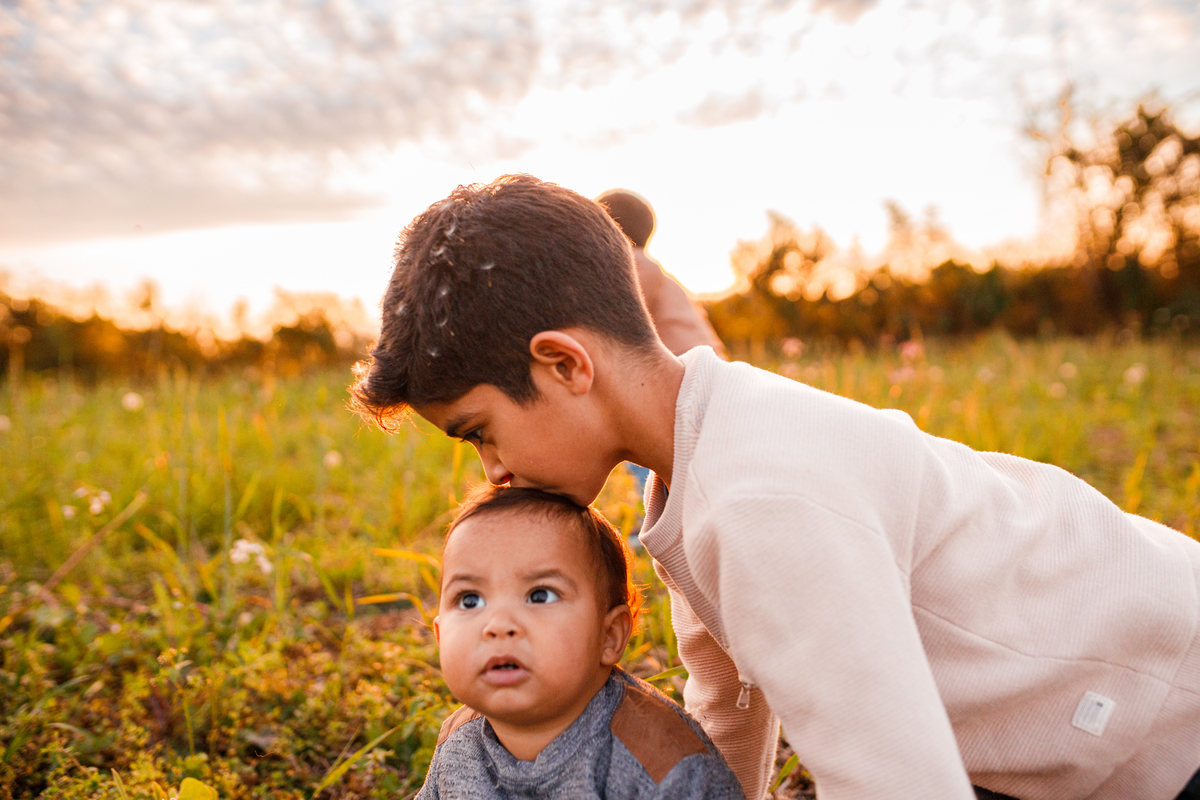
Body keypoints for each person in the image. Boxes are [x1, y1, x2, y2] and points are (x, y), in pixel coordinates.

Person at [351, 175, 1200, 800]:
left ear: (565, 364)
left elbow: (897, 784)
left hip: (1170, 724)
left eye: (480, 433)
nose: (492, 474)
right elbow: (728, 695)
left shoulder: (762, 497)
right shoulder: (708, 446)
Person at [417, 485, 746, 800]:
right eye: (470, 600)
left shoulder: (662, 764)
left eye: (540, 595)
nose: (498, 625)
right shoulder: (458, 741)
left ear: (609, 636)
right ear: (440, 634)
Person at [595, 189, 725, 358]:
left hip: (690, 366)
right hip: (704, 363)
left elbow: (610, 320)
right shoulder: (657, 273)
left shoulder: (634, 264)